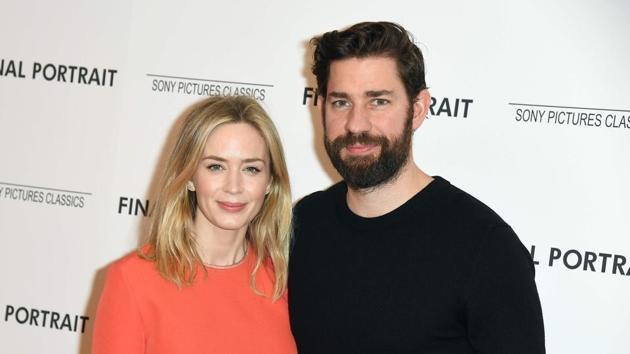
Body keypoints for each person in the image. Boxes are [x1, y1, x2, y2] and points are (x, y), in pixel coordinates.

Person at [288, 21, 545, 353]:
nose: (356, 124)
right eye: (341, 102)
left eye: (378, 101)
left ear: (418, 109)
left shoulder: (485, 248)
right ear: (321, 107)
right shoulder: (306, 221)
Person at [93, 96, 296, 353]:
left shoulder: (282, 281)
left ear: (270, 182)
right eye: (215, 167)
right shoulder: (133, 281)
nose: (233, 187)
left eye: (251, 169)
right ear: (189, 176)